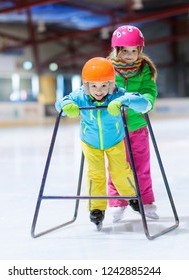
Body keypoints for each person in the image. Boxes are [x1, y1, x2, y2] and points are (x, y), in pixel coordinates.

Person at [55, 57, 151, 229]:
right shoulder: (80, 95)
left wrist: (122, 101)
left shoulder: (118, 93)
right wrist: (66, 105)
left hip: (114, 141)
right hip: (90, 142)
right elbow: (59, 103)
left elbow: (144, 104)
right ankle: (96, 209)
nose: (98, 91)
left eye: (103, 86)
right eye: (93, 86)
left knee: (120, 171)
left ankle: (132, 197)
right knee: (96, 174)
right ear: (86, 85)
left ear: (111, 84)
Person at [107, 25, 159, 222]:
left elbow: (149, 89)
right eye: (125, 51)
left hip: (137, 126)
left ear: (140, 51)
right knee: (117, 166)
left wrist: (146, 101)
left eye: (134, 51)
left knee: (141, 166)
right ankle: (117, 202)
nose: (129, 55)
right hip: (114, 127)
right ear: (116, 49)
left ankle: (146, 201)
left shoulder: (143, 68)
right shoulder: (107, 67)